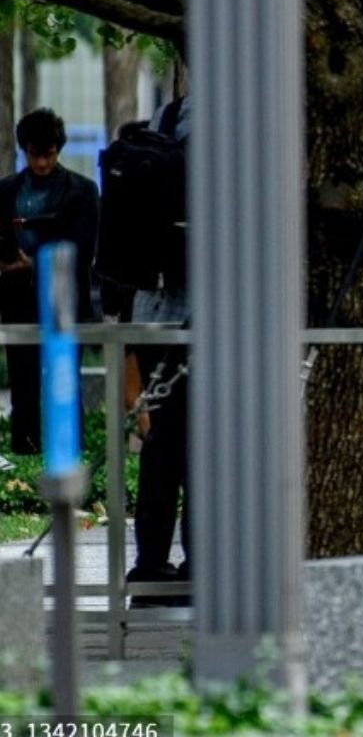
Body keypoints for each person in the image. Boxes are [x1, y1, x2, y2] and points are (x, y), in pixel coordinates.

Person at [0, 108, 99, 455]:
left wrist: (32, 262)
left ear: (59, 150)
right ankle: (26, 449)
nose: (41, 163)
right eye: (34, 154)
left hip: (64, 300)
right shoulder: (7, 191)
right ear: (24, 150)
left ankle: (69, 453)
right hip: (17, 301)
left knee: (63, 383)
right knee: (23, 384)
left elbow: (83, 248)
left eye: (49, 154)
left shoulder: (82, 191)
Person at [127, 96, 192, 605]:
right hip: (201, 314)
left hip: (152, 310)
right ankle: (202, 564)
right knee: (204, 446)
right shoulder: (228, 118)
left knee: (162, 445)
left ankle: (149, 566)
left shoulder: (163, 120)